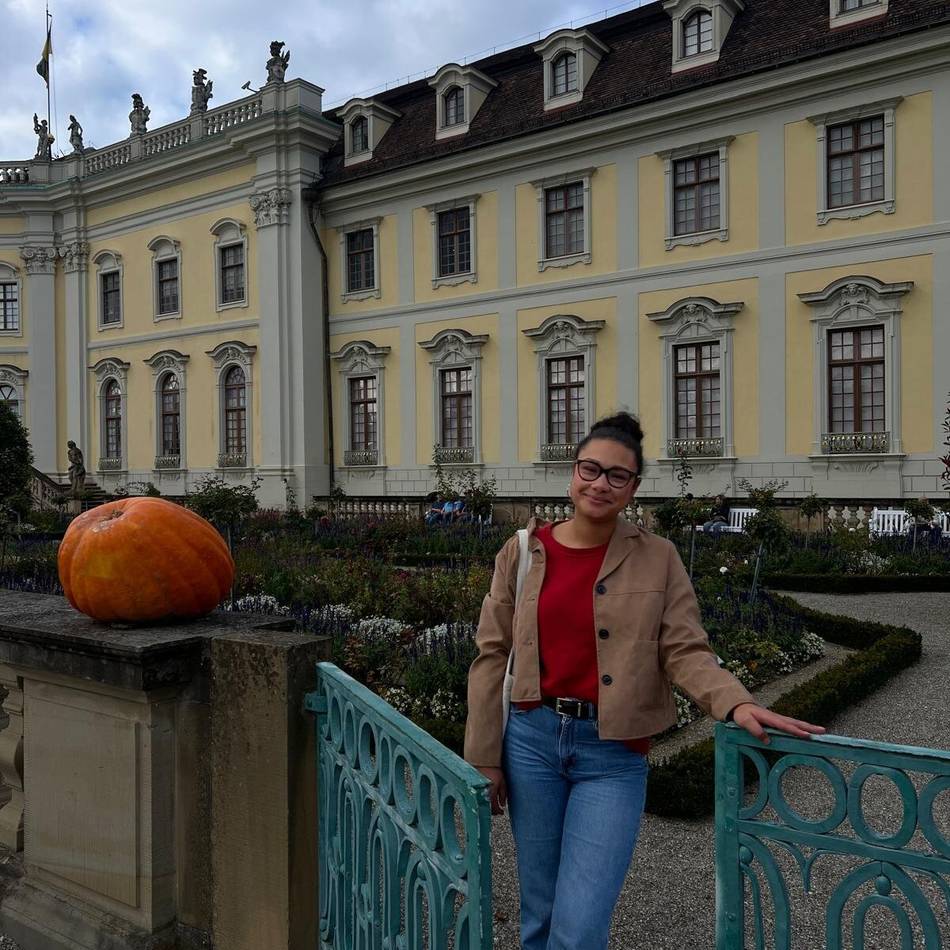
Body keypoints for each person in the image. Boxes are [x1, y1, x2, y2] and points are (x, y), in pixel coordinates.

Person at [464, 412, 824, 950]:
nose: (600, 483)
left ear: (633, 489)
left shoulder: (657, 557)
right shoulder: (523, 551)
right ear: (572, 472)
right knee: (538, 914)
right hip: (531, 742)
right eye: (591, 468)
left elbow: (684, 649)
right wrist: (483, 755)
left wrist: (734, 703)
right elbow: (491, 655)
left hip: (612, 757)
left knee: (580, 925)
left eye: (617, 475)